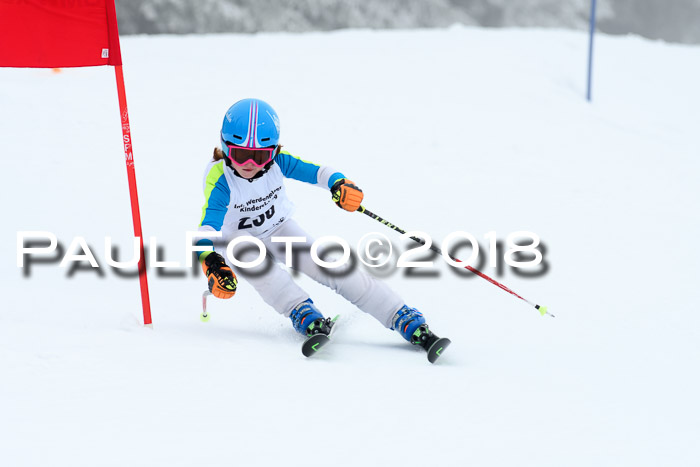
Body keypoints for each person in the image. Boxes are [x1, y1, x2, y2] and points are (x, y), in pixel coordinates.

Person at [195, 98, 447, 358]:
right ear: (225, 148)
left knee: (332, 267)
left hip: (278, 228)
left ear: (273, 151)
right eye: (240, 154)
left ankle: (401, 315)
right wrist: (211, 261)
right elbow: (206, 228)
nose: (250, 164)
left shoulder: (279, 162)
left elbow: (318, 172)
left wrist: (340, 184)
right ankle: (302, 312)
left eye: (260, 156)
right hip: (238, 239)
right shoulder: (221, 179)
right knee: (264, 273)